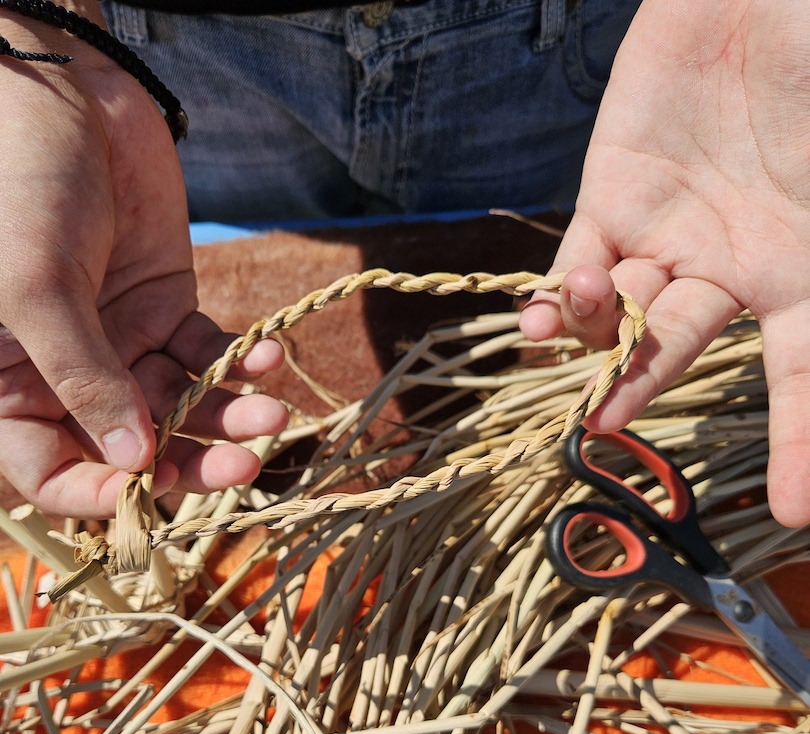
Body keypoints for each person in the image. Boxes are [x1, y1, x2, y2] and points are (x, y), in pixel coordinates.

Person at [0, 0, 808, 528]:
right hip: (156, 49)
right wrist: (30, 35)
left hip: (601, 39)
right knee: (159, 275)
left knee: (577, 238)